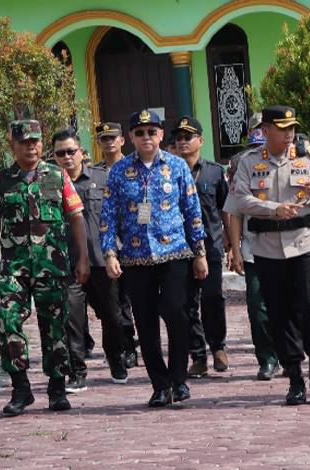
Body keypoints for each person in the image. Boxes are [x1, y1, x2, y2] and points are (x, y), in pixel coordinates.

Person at [0, 119, 90, 416]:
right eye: (24, 142)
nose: (31, 146)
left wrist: (83, 258)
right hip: (13, 267)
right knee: (7, 320)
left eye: (36, 141)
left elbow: (77, 217)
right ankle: (20, 388)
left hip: (51, 267)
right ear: (12, 145)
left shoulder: (58, 176)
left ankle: (56, 388)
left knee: (54, 327)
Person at [100, 109, 207, 407]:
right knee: (146, 324)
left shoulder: (176, 167)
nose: (146, 137)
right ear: (131, 137)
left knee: (176, 313)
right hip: (136, 258)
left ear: (161, 135)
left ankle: (179, 380)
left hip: (174, 252)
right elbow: (108, 216)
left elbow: (191, 210)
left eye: (152, 131)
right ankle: (159, 385)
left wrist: (199, 252)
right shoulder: (119, 172)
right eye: (140, 132)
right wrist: (110, 253)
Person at [232, 105, 310, 405]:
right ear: (266, 131)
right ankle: (295, 377)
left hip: (306, 242)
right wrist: (272, 209)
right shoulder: (249, 162)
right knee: (278, 313)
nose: (289, 133)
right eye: (282, 128)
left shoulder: (307, 154)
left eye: (292, 127)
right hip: (268, 248)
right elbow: (241, 199)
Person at [52, 129, 130, 392]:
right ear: (54, 156)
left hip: (101, 261)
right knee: (72, 320)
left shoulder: (102, 178)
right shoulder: (50, 184)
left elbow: (118, 217)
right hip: (66, 263)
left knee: (113, 317)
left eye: (71, 151)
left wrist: (117, 253)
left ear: (80, 152)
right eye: (60, 153)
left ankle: (116, 360)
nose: (66, 157)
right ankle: (77, 372)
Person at [170, 116, 231, 377]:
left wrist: (231, 241)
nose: (183, 142)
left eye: (188, 137)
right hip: (178, 248)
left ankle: (218, 347)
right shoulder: (168, 171)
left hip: (212, 245)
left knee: (212, 298)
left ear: (200, 141)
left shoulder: (215, 172)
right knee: (186, 303)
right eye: (179, 138)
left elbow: (225, 208)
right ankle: (198, 355)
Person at [224, 115, 281, 380]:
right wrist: (235, 249)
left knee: (288, 305)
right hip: (254, 247)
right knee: (257, 307)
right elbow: (234, 211)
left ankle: (288, 353)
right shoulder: (243, 164)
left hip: (288, 247)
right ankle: (267, 358)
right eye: (258, 131)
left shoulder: (297, 158)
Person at [94, 121, 139, 369]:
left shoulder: (134, 167)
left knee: (131, 297)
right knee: (114, 299)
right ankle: (125, 345)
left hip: (133, 241)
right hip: (108, 244)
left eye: (113, 137)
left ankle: (131, 344)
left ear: (122, 140)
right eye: (104, 138)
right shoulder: (94, 174)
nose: (109, 142)